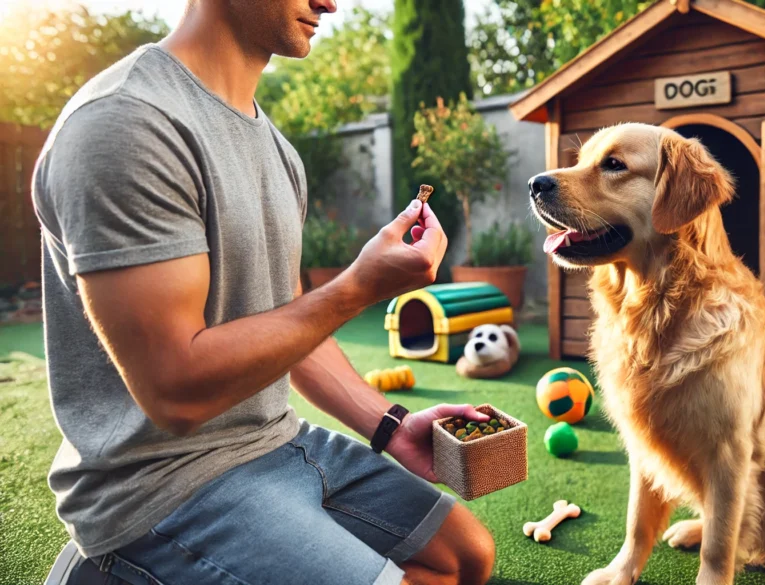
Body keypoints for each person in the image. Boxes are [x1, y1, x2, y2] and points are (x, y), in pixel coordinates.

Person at [31, 1, 496, 584]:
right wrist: (357, 288)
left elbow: (285, 320)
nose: (330, 2)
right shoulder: (127, 123)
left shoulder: (275, 146)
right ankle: (110, 569)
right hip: (158, 485)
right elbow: (175, 393)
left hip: (278, 443)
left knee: (464, 557)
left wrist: (390, 425)